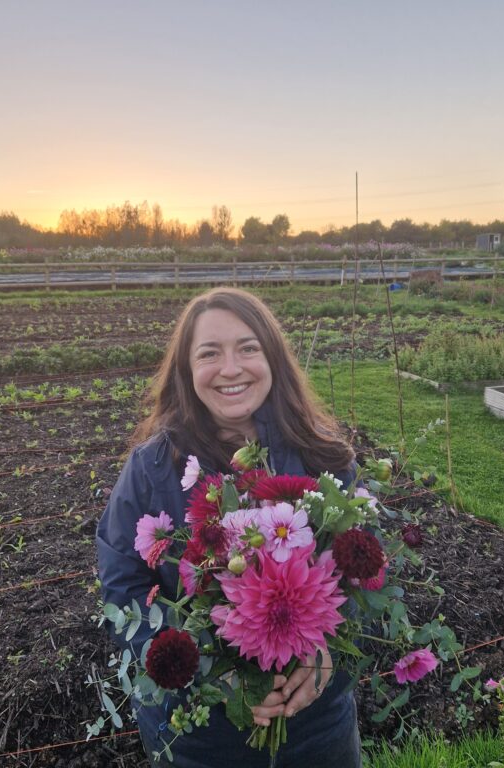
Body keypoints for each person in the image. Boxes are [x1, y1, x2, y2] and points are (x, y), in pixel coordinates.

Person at [96, 287, 361, 768]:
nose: (231, 368)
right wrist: (208, 670)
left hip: (317, 730)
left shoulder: (323, 456)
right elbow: (123, 588)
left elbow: (368, 575)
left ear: (273, 357)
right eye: (209, 354)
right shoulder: (151, 470)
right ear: (186, 370)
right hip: (201, 742)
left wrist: (329, 658)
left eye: (247, 348)